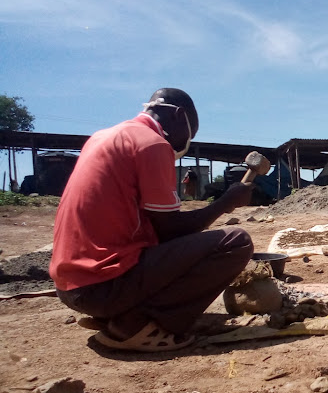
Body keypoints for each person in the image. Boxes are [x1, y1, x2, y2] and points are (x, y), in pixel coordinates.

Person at [50, 88, 254, 352]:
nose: (184, 143)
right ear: (179, 116)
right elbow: (171, 231)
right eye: (189, 135)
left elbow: (155, 229)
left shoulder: (103, 137)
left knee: (164, 247)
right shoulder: (152, 144)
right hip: (102, 287)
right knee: (236, 242)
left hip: (70, 286)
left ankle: (118, 314)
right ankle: (135, 323)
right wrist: (225, 203)